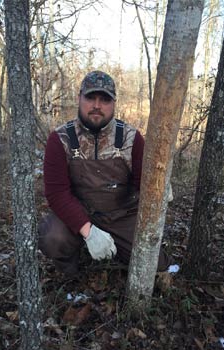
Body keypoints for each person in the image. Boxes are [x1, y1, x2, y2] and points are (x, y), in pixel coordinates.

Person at [38, 70, 169, 277]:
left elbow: (143, 182)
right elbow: (56, 193)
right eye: (91, 97)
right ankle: (70, 276)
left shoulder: (131, 138)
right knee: (53, 237)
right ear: (79, 98)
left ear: (114, 103)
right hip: (80, 212)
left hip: (122, 215)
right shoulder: (60, 139)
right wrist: (88, 231)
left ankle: (117, 253)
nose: (97, 105)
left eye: (105, 99)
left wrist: (158, 185)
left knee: (156, 264)